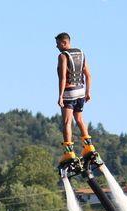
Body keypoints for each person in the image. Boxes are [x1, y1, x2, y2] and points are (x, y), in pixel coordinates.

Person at [55, 32, 95, 167]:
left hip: (69, 92)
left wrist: (60, 96)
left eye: (58, 43)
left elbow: (63, 78)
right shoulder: (81, 53)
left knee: (67, 122)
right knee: (79, 119)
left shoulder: (63, 56)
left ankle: (69, 152)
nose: (56, 46)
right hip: (81, 91)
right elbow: (88, 75)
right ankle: (89, 147)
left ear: (64, 42)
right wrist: (88, 92)